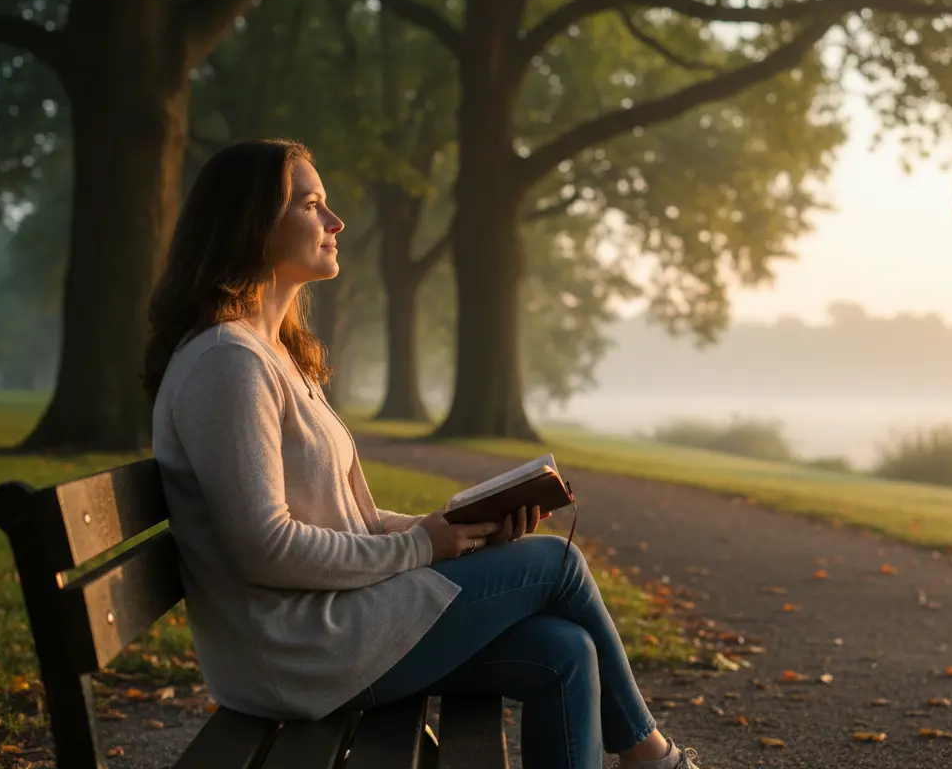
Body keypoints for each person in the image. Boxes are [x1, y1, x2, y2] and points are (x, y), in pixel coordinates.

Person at [142, 139, 703, 769]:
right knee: (555, 562)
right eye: (311, 204)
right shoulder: (227, 363)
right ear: (251, 224)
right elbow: (263, 546)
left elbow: (339, 521)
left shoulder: (271, 356)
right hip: (298, 655)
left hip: (329, 629)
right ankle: (654, 759)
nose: (335, 222)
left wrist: (450, 531)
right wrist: (420, 547)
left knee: (564, 652)